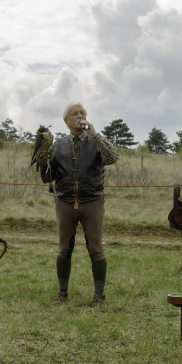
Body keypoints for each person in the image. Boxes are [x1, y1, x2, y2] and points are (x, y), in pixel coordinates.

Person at [39, 103, 119, 308]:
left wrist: (95, 134)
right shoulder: (58, 145)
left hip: (92, 201)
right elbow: (47, 178)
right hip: (65, 201)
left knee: (96, 248)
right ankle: (62, 293)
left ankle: (99, 296)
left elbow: (113, 157)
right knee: (64, 248)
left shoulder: (95, 140)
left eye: (82, 113)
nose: (79, 116)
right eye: (74, 114)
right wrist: (42, 162)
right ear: (66, 121)